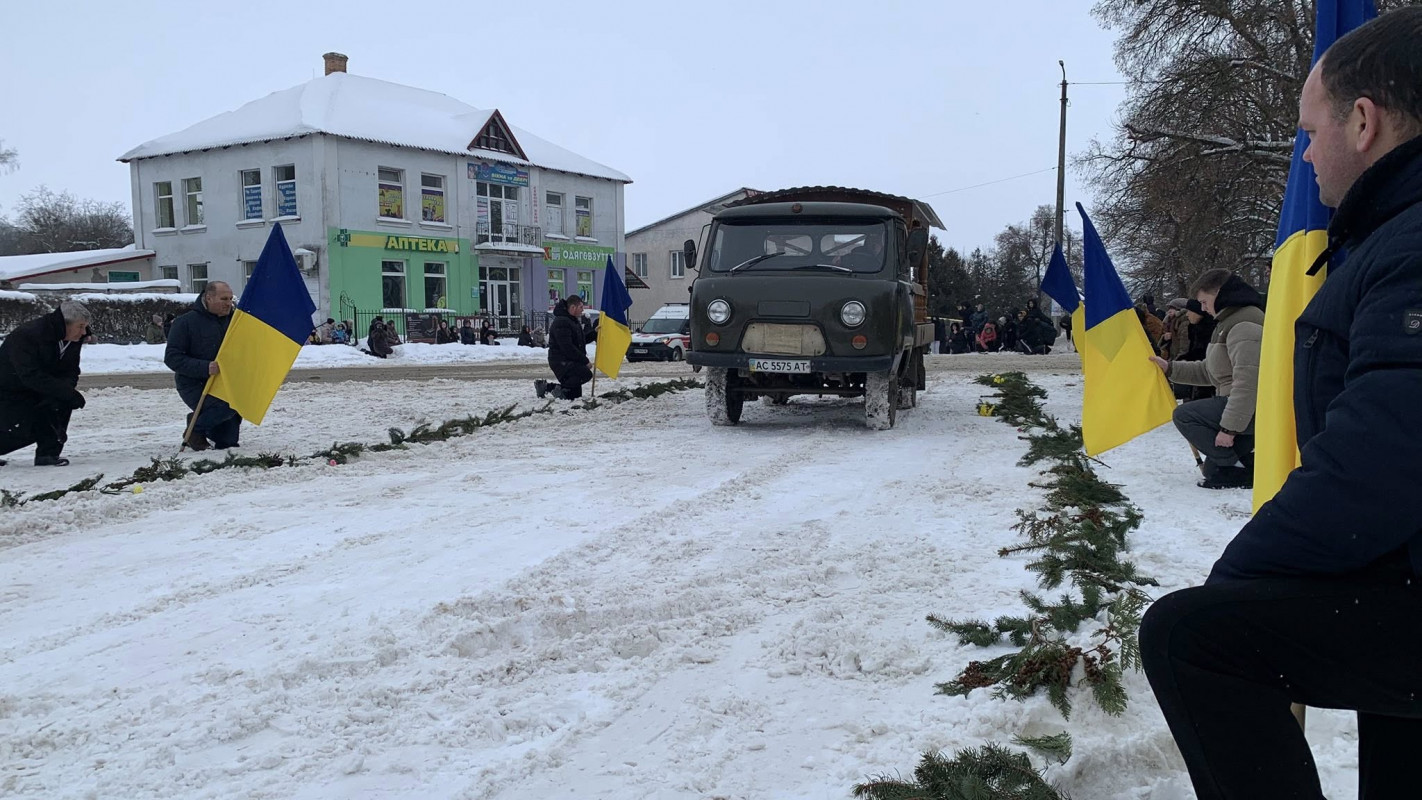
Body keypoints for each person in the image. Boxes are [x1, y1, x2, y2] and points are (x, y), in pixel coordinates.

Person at [1140, 11, 1422, 798]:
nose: (1302, 153)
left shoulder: (1409, 248)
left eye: (1308, 130)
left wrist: (1240, 575)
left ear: (1362, 122)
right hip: (1401, 571)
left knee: (1193, 638)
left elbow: (1382, 457)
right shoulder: (1387, 240)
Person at [1149, 269, 1263, 489]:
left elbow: (1248, 384)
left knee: (1184, 415)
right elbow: (1211, 371)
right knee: (1213, 471)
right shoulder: (1227, 322)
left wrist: (1229, 429)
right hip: (1238, 406)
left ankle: (1239, 466)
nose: (1202, 308)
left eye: (1204, 301)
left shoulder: (1244, 325)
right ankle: (1241, 464)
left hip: (1250, 410)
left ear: (1219, 293)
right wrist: (1170, 368)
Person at [0, 302, 90, 467]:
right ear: (65, 324)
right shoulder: (27, 335)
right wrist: (63, 391)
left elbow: (71, 370)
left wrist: (65, 391)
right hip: (10, 389)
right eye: (81, 326)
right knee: (18, 432)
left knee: (61, 402)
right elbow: (29, 374)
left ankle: (48, 454)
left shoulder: (73, 339)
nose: (84, 332)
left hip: (43, 385)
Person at [164, 282, 242, 451]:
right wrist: (205, 367)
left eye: (230, 299)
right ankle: (194, 429)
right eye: (223, 299)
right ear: (208, 298)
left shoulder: (236, 322)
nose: (228, 303)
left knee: (227, 440)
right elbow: (172, 358)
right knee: (230, 404)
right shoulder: (185, 323)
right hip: (194, 384)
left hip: (226, 382)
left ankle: (200, 420)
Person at [535, 295, 592, 400]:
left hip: (570, 360)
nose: (583, 310)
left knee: (574, 395)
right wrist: (584, 361)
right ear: (573, 307)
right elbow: (567, 347)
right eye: (581, 307)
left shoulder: (572, 320)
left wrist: (595, 333)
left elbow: (580, 340)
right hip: (561, 361)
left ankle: (547, 387)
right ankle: (557, 389)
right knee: (586, 373)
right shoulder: (562, 322)